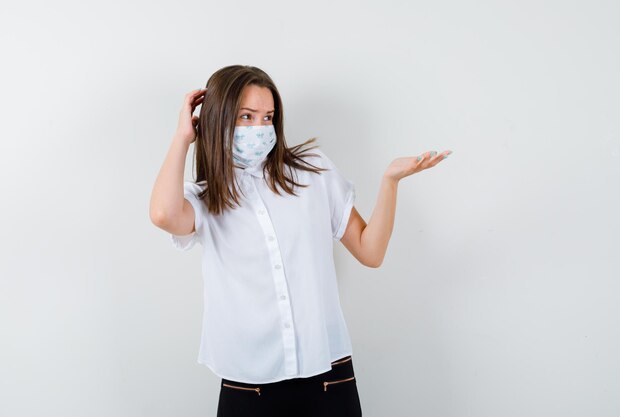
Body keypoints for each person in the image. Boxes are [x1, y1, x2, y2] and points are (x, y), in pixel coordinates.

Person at [149, 65, 451, 417]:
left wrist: (390, 181)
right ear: (217, 120)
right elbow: (163, 215)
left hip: (327, 376)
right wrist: (182, 137)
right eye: (246, 117)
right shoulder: (206, 197)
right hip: (248, 383)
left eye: (267, 118)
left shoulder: (312, 173)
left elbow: (371, 251)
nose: (259, 129)